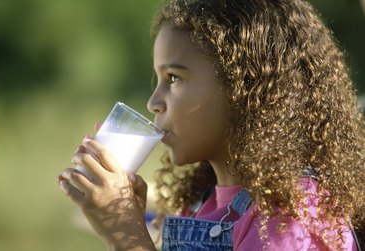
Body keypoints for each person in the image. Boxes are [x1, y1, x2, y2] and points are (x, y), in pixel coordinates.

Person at [58, 0, 365, 250]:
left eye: (174, 78)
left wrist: (126, 237)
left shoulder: (293, 216)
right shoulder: (199, 202)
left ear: (244, 89)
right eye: (158, 79)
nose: (153, 102)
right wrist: (126, 222)